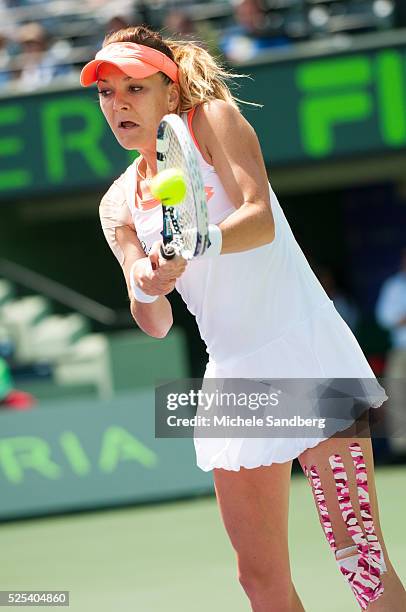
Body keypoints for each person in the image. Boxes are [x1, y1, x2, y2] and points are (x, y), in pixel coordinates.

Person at [80, 26, 406, 611]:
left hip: (307, 355)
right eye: (107, 93)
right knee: (260, 583)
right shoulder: (117, 203)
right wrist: (147, 283)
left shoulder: (211, 121)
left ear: (168, 89)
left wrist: (195, 243)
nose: (119, 104)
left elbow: (260, 219)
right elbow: (153, 322)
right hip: (233, 379)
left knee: (360, 561)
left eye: (134, 87)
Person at [375, 247, 406, 457]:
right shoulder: (394, 286)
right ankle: (401, 449)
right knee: (398, 396)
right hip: (401, 349)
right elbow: (385, 318)